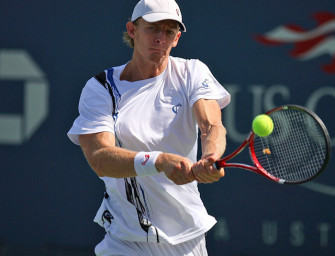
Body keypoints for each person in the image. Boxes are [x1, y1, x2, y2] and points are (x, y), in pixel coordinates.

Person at [68, 0, 231, 255]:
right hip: (125, 240)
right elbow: (100, 158)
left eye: (169, 32)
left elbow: (211, 125)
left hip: (188, 238)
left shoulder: (192, 72)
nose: (160, 38)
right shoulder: (102, 88)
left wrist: (211, 156)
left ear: (177, 38)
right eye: (153, 29)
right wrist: (159, 161)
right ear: (132, 30)